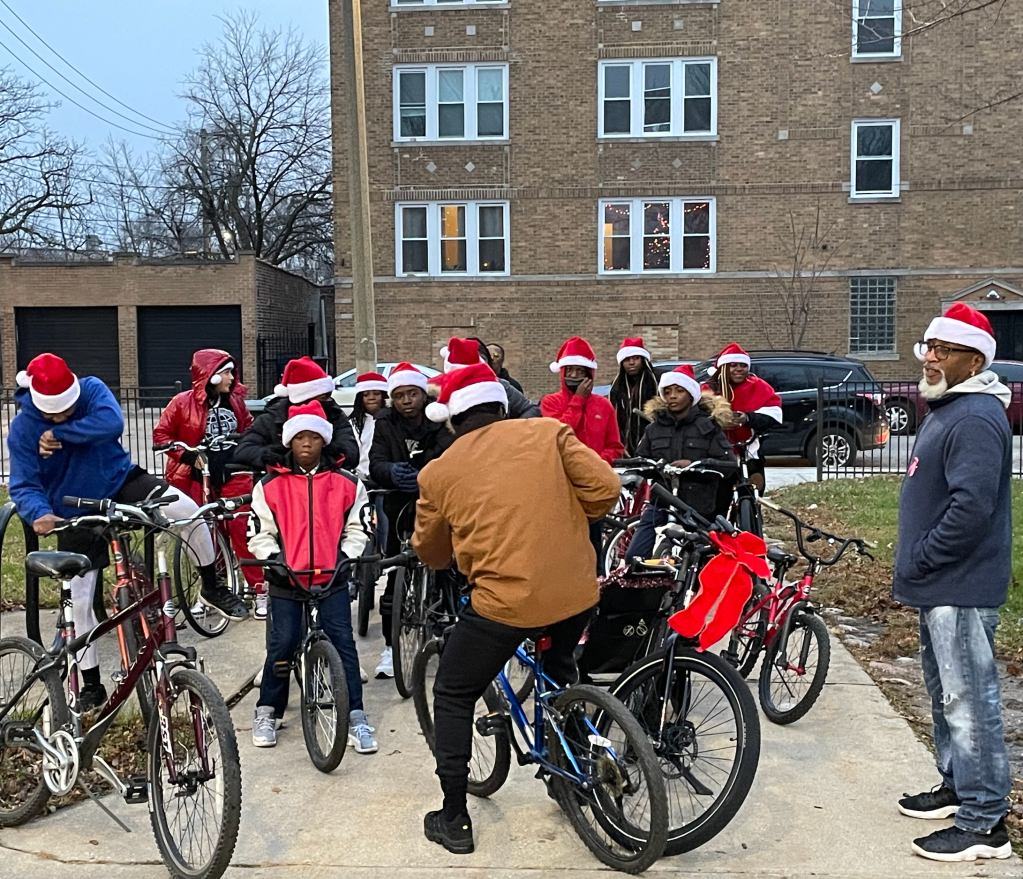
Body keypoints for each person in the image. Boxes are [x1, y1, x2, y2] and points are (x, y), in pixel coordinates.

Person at [412, 363, 620, 854]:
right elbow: (606, 490)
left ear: (452, 420)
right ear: (501, 407)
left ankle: (455, 817)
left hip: (504, 603)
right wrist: (564, 516)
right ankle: (569, 769)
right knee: (559, 671)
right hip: (575, 592)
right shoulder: (550, 432)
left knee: (454, 691)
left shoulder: (439, 472)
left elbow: (433, 553)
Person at [8, 353, 233, 709]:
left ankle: (211, 585)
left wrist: (60, 432)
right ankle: (91, 683)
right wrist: (39, 513)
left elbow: (111, 424)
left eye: (68, 409)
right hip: (74, 508)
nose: (63, 416)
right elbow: (22, 484)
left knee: (188, 510)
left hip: (120, 482)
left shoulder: (92, 389)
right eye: (54, 414)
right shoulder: (23, 429)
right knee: (80, 602)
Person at [893, 304, 1012, 863]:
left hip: (957, 585)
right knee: (947, 696)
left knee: (969, 700)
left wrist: (923, 556)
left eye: (944, 349)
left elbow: (971, 508)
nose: (931, 356)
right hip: (938, 584)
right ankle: (958, 784)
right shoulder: (949, 408)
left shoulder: (974, 417)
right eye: (929, 346)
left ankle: (985, 821)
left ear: (975, 358)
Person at [247, 400, 377, 754]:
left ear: (324, 441)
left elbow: (358, 527)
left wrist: (345, 556)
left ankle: (355, 714)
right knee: (283, 643)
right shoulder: (269, 485)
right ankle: (268, 709)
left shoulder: (346, 483)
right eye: (300, 437)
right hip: (286, 578)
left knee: (343, 643)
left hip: (330, 576)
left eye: (314, 437)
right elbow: (259, 531)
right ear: (289, 441)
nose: (307, 444)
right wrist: (273, 560)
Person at [153, 349, 261, 616]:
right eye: (226, 372)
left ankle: (259, 589)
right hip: (197, 476)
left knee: (240, 528)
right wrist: (188, 455)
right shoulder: (181, 403)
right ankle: (213, 588)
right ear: (210, 375)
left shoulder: (236, 401)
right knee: (206, 534)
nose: (231, 377)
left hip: (233, 473)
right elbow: (161, 435)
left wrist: (246, 449)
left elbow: (248, 428)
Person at [368, 363, 453, 677]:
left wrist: (425, 475)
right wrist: (390, 472)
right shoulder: (384, 422)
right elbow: (375, 460)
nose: (406, 401)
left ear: (423, 394)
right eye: (399, 395)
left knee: (445, 567)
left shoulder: (439, 419)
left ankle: (445, 632)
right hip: (398, 499)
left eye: (412, 394)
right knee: (396, 570)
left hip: (434, 497)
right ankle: (392, 649)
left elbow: (448, 454)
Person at [625, 364, 737, 562]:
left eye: (679, 391)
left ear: (691, 394)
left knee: (697, 562)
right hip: (662, 501)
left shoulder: (708, 426)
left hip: (698, 507)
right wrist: (652, 467)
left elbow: (728, 464)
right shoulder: (654, 429)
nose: (672, 396)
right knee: (634, 556)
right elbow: (641, 460)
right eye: (667, 392)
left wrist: (696, 464)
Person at [541, 336, 624, 573]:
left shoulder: (604, 406)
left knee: (592, 542)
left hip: (592, 486)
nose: (575, 376)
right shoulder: (550, 402)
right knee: (562, 545)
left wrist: (597, 464)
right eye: (571, 371)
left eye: (581, 371)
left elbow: (615, 445)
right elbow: (557, 435)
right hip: (561, 483)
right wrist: (577, 401)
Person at [233, 356, 359, 475]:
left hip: (327, 486)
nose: (329, 401)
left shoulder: (335, 415)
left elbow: (351, 453)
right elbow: (244, 450)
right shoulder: (272, 418)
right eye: (323, 397)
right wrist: (279, 458)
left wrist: (317, 457)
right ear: (305, 399)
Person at [702, 343, 781, 493]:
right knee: (720, 497)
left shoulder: (759, 386)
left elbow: (773, 414)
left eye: (743, 365)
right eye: (733, 365)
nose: (739, 369)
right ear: (723, 368)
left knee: (754, 493)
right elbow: (698, 419)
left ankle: (750, 512)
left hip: (750, 450)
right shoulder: (708, 390)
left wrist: (748, 419)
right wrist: (720, 422)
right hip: (718, 452)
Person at [443, 337, 540, 418]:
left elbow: (531, 408)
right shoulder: (442, 390)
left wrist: (515, 429)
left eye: (482, 359)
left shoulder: (501, 386)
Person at [608, 337, 660, 455]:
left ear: (643, 359)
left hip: (653, 439)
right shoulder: (616, 385)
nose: (631, 363)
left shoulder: (657, 380)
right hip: (625, 441)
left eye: (636, 358)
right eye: (627, 359)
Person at [349, 371, 389, 481]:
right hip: (359, 478)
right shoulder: (353, 423)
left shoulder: (391, 420)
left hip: (384, 477)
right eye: (366, 395)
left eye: (376, 393)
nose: (371, 398)